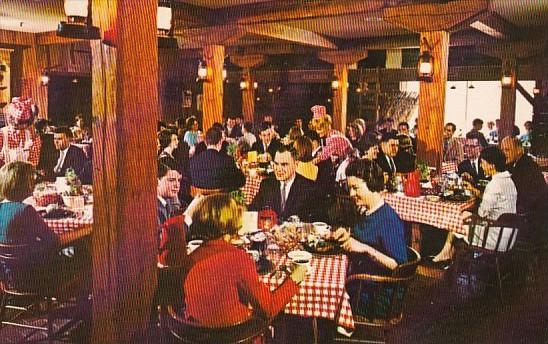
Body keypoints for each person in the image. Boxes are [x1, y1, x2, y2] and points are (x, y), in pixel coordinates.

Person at [182, 194, 306, 327]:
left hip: (196, 336)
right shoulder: (239, 259)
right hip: (236, 336)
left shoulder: (190, 258)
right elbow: (268, 309)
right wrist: (294, 279)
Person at [0, 161, 90, 291]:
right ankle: (84, 305)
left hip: (10, 277)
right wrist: (85, 231)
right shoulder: (25, 210)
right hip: (35, 277)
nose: (33, 184)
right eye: (31, 180)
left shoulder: (2, 207)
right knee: (82, 253)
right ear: (23, 185)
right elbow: (54, 241)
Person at [432, 147, 517, 264]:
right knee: (463, 216)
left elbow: (482, 214)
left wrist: (468, 216)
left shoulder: (494, 185)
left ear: (491, 165)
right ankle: (448, 253)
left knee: (457, 220)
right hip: (508, 235)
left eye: (483, 163)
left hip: (494, 237)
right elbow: (495, 201)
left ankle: (447, 253)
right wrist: (473, 190)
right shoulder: (508, 181)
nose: (481, 167)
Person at [331, 159, 407, 276]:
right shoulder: (365, 210)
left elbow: (399, 266)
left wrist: (366, 249)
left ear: (372, 184)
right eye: (350, 188)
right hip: (356, 275)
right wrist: (347, 234)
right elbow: (366, 236)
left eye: (355, 188)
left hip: (371, 289)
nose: (351, 194)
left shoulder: (388, 220)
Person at [250, 145, 318, 222]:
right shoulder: (266, 185)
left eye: (284, 164)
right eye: (276, 164)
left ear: (296, 164)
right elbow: (252, 212)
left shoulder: (308, 187)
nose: (278, 169)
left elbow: (314, 220)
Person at [500, 137, 548, 241]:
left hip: (532, 220)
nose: (504, 153)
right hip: (531, 215)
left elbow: (521, 196)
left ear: (519, 150)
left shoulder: (526, 166)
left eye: (507, 150)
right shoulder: (518, 163)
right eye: (502, 150)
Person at [189, 126, 245, 191]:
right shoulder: (227, 161)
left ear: (206, 142)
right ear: (220, 142)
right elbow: (241, 181)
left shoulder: (192, 161)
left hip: (199, 199)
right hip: (221, 199)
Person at [0, 97, 42, 168]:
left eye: (21, 123)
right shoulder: (1, 134)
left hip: (25, 176)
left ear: (28, 122)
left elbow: (33, 163)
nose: (17, 126)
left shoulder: (33, 137)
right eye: (12, 121)